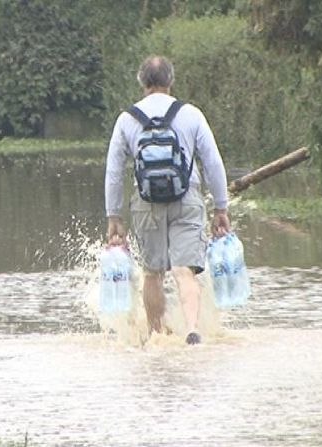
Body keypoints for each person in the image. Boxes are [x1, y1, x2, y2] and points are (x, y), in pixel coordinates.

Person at [104, 55, 231, 345]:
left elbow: (113, 171)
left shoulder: (127, 119)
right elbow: (213, 162)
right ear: (170, 81)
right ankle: (191, 330)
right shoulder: (191, 114)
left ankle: (155, 335)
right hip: (187, 200)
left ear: (142, 82)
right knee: (185, 271)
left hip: (146, 204)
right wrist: (220, 207)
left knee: (153, 273)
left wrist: (114, 217)